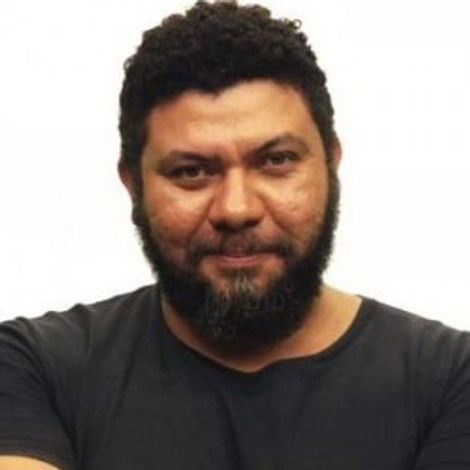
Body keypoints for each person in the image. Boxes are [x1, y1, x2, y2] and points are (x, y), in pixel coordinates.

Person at [1, 1, 469, 469]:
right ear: (133, 184)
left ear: (330, 164)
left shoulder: (450, 380)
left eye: (277, 161)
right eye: (192, 171)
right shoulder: (37, 367)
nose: (237, 209)